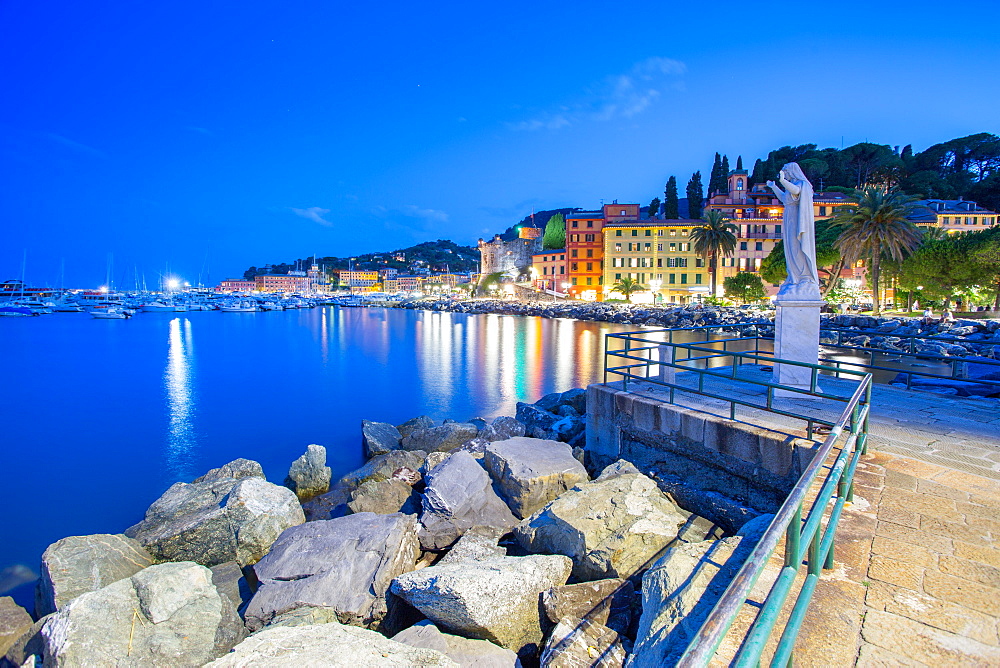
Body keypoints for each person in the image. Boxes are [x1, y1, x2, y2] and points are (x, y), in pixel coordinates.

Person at [767, 162, 820, 300]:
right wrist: (774, 187)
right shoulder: (791, 186)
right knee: (790, 249)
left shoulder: (803, 185)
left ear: (792, 171)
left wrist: (783, 181)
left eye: (785, 171)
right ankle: (794, 276)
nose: (784, 173)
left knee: (797, 247)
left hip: (797, 218)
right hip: (789, 218)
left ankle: (805, 276)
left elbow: (796, 191)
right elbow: (784, 198)